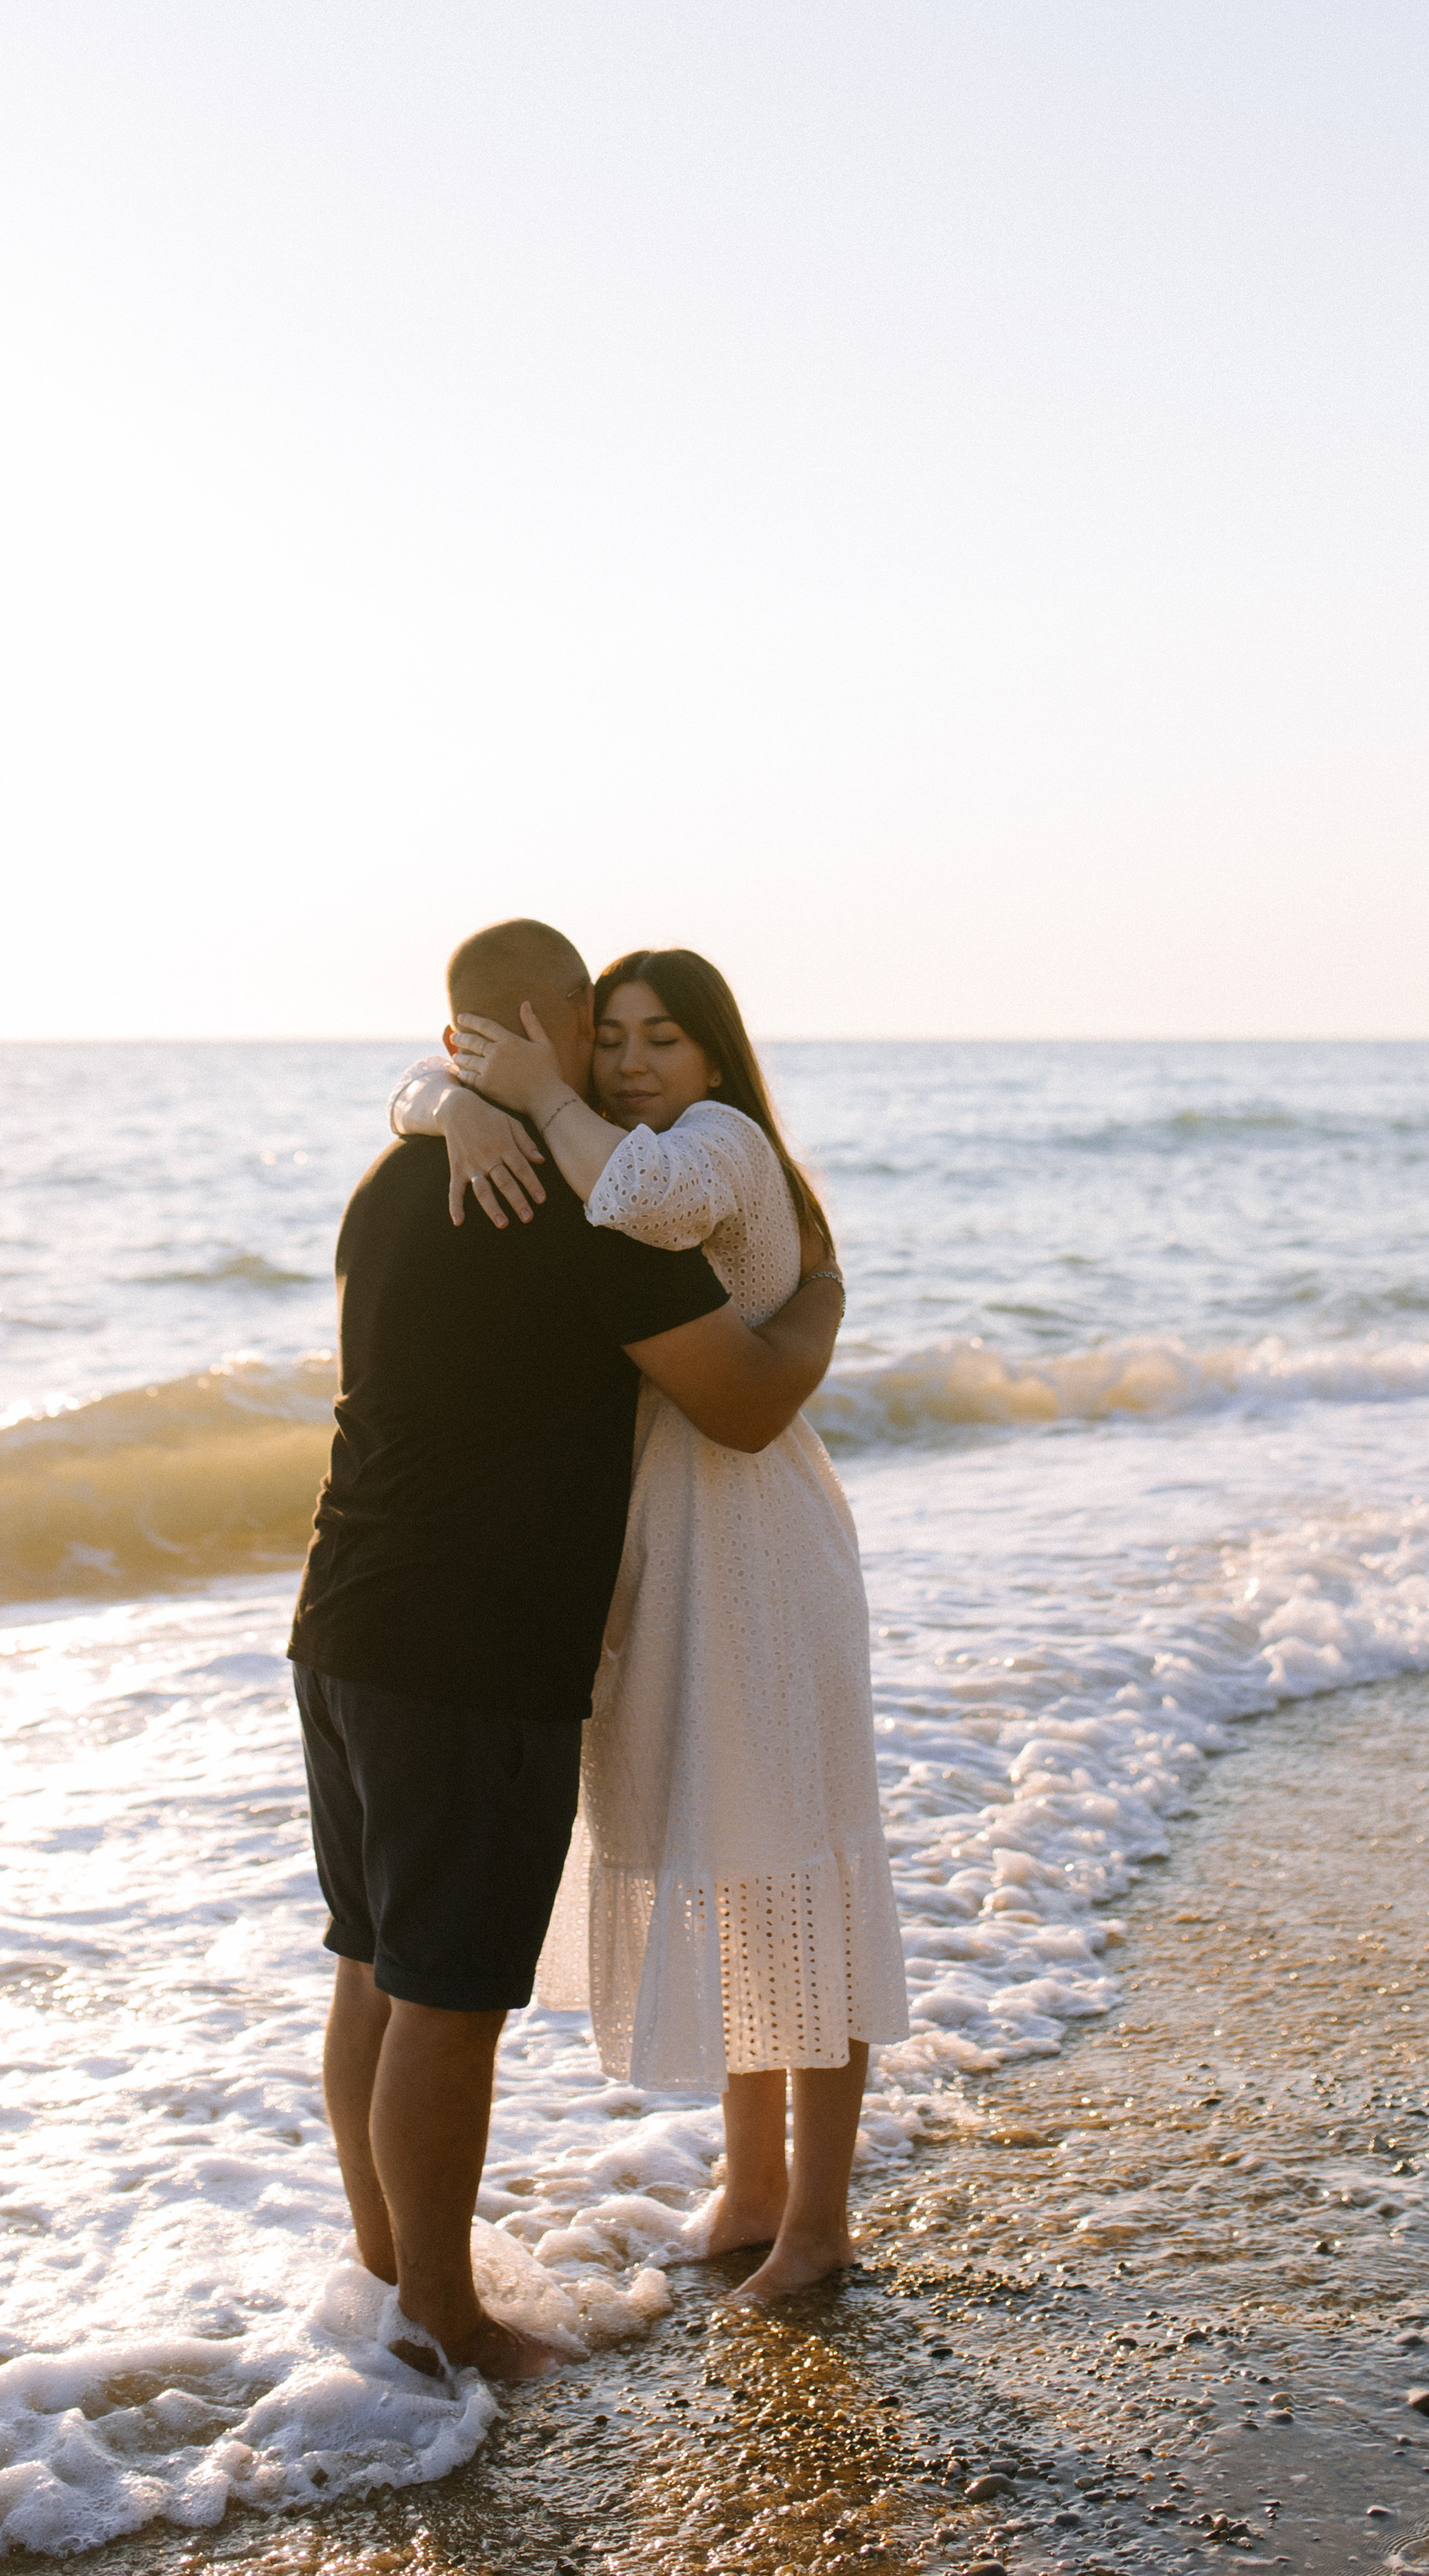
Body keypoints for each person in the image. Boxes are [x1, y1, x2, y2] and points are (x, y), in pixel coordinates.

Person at [286, 918, 846, 2384]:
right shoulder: (573, 1206)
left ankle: (384, 2273)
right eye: (596, 1027)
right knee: (451, 1998)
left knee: (373, 1963)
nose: (610, 1055)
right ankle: (446, 2321)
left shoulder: (392, 1176)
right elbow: (738, 1400)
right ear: (542, 1024)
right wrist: (824, 1300)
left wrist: (450, 1097)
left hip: (340, 1616)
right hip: (473, 1643)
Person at [393, 947, 908, 2303]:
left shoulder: (712, 1143)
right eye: (609, 1037)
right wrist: (448, 1102)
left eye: (658, 1039)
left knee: (802, 1877)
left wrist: (538, 1097)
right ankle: (747, 2185)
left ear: (717, 1056)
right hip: (675, 1558)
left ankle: (819, 2220)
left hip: (763, 1550)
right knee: (741, 1877)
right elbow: (420, 1103)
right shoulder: (628, 1135)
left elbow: (634, 1198)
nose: (628, 1063)